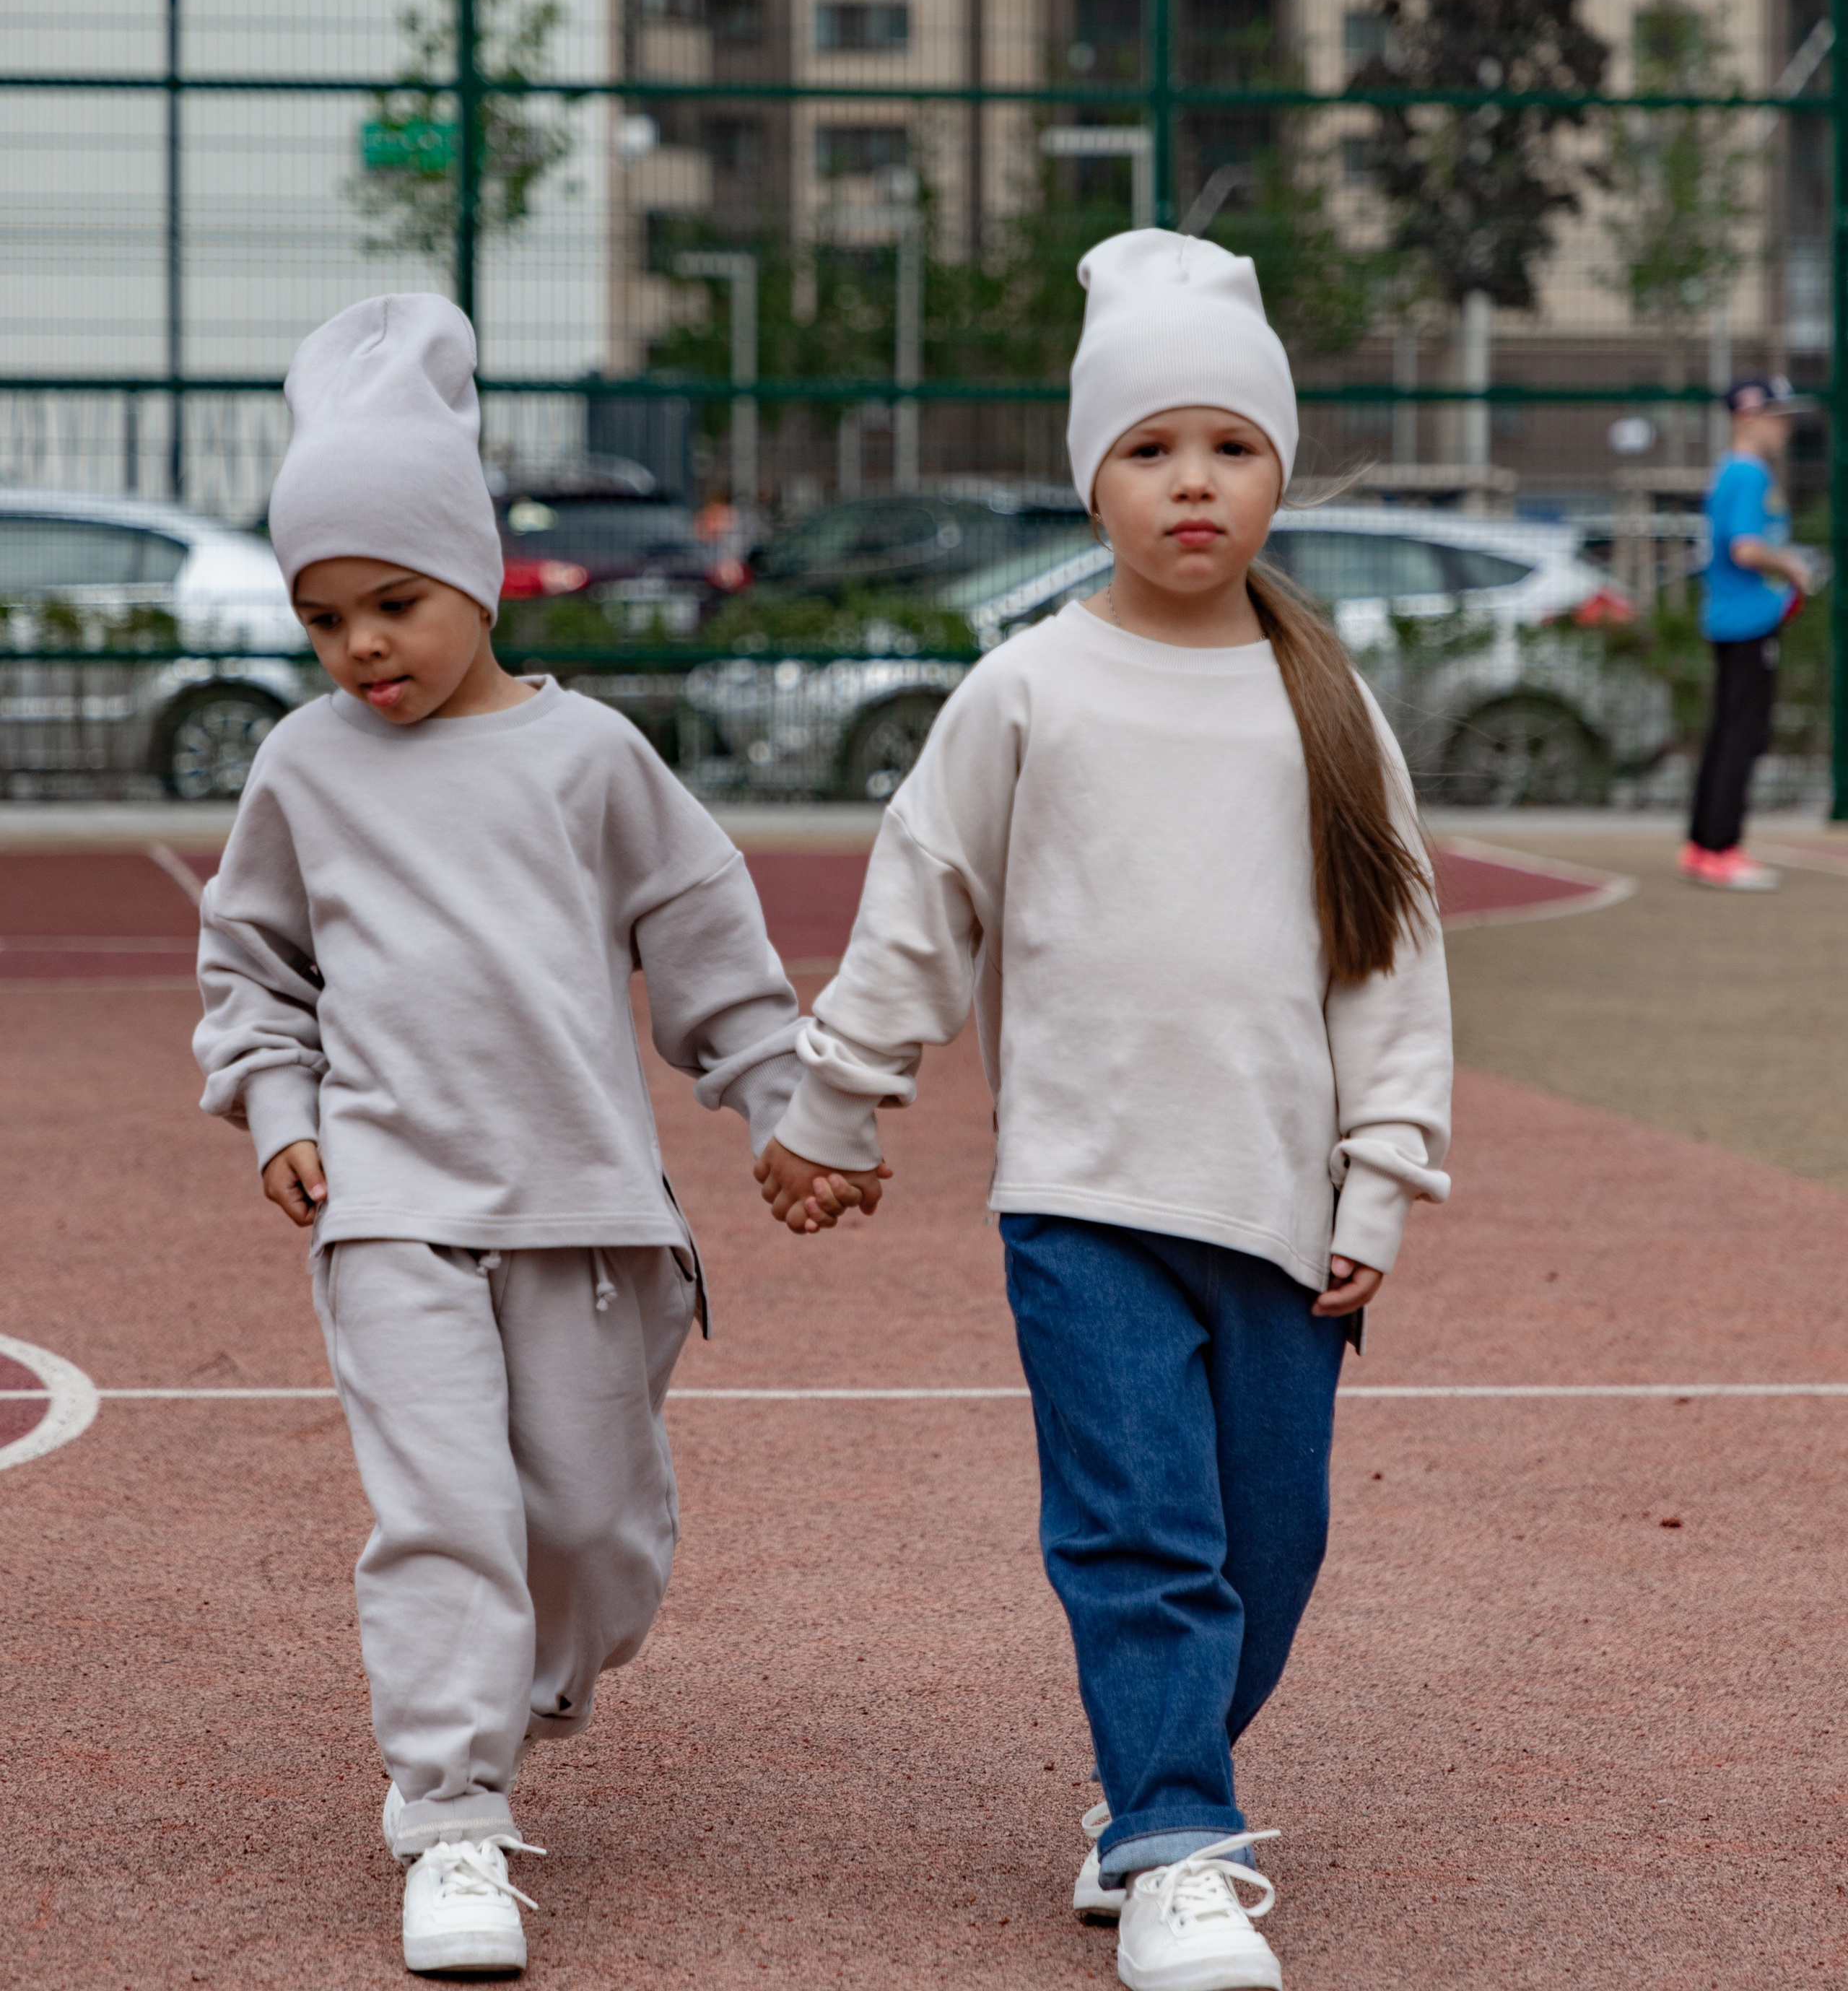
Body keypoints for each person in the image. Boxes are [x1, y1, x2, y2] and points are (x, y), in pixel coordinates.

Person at [756, 231, 1453, 1991]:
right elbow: (922, 901)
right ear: (1092, 475)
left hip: (1280, 1209)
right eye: (1148, 449)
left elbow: (1392, 955)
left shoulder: (1324, 701)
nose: (1189, 481)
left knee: (1266, 1545)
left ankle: (1157, 1777)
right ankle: (1169, 1832)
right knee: (1140, 1528)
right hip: (1079, 1200)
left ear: (1278, 467)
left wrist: (1377, 1173)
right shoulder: (1025, 686)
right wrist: (834, 1103)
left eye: (1225, 443)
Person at [195, 295, 873, 1979]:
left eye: (395, 602)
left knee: (591, 1531)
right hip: (394, 1206)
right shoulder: (302, 766)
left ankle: (534, 1673)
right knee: (440, 1514)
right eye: (325, 615)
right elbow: (251, 966)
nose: (363, 646)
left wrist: (785, 1106)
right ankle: (448, 1811)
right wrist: (279, 1101)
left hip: (588, 1219)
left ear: (478, 573)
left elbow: (714, 952)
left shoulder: (592, 758)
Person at [1680, 373, 1814, 893]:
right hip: (1747, 622)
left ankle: (1703, 845)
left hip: (1735, 620)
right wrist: (1793, 567)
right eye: (1775, 416)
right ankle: (1721, 849)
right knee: (1743, 736)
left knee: (1726, 733)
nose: (1784, 427)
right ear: (1747, 417)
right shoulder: (1749, 473)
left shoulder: (1733, 470)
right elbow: (1745, 548)